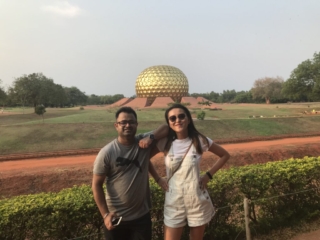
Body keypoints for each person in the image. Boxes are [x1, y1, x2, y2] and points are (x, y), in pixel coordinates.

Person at [143, 103, 230, 240]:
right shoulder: (165, 142)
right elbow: (145, 159)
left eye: (181, 116)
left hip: (196, 198)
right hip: (174, 199)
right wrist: (158, 179)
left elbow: (225, 155)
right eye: (173, 118)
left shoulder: (199, 140)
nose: (177, 120)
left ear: (188, 119)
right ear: (169, 123)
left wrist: (208, 175)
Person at [92, 106, 168, 240]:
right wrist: (105, 215)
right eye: (123, 122)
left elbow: (167, 128)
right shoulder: (107, 152)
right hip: (116, 218)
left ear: (137, 124)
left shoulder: (143, 142)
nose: (128, 125)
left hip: (141, 218)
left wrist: (151, 137)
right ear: (116, 125)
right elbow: (96, 185)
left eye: (132, 122)